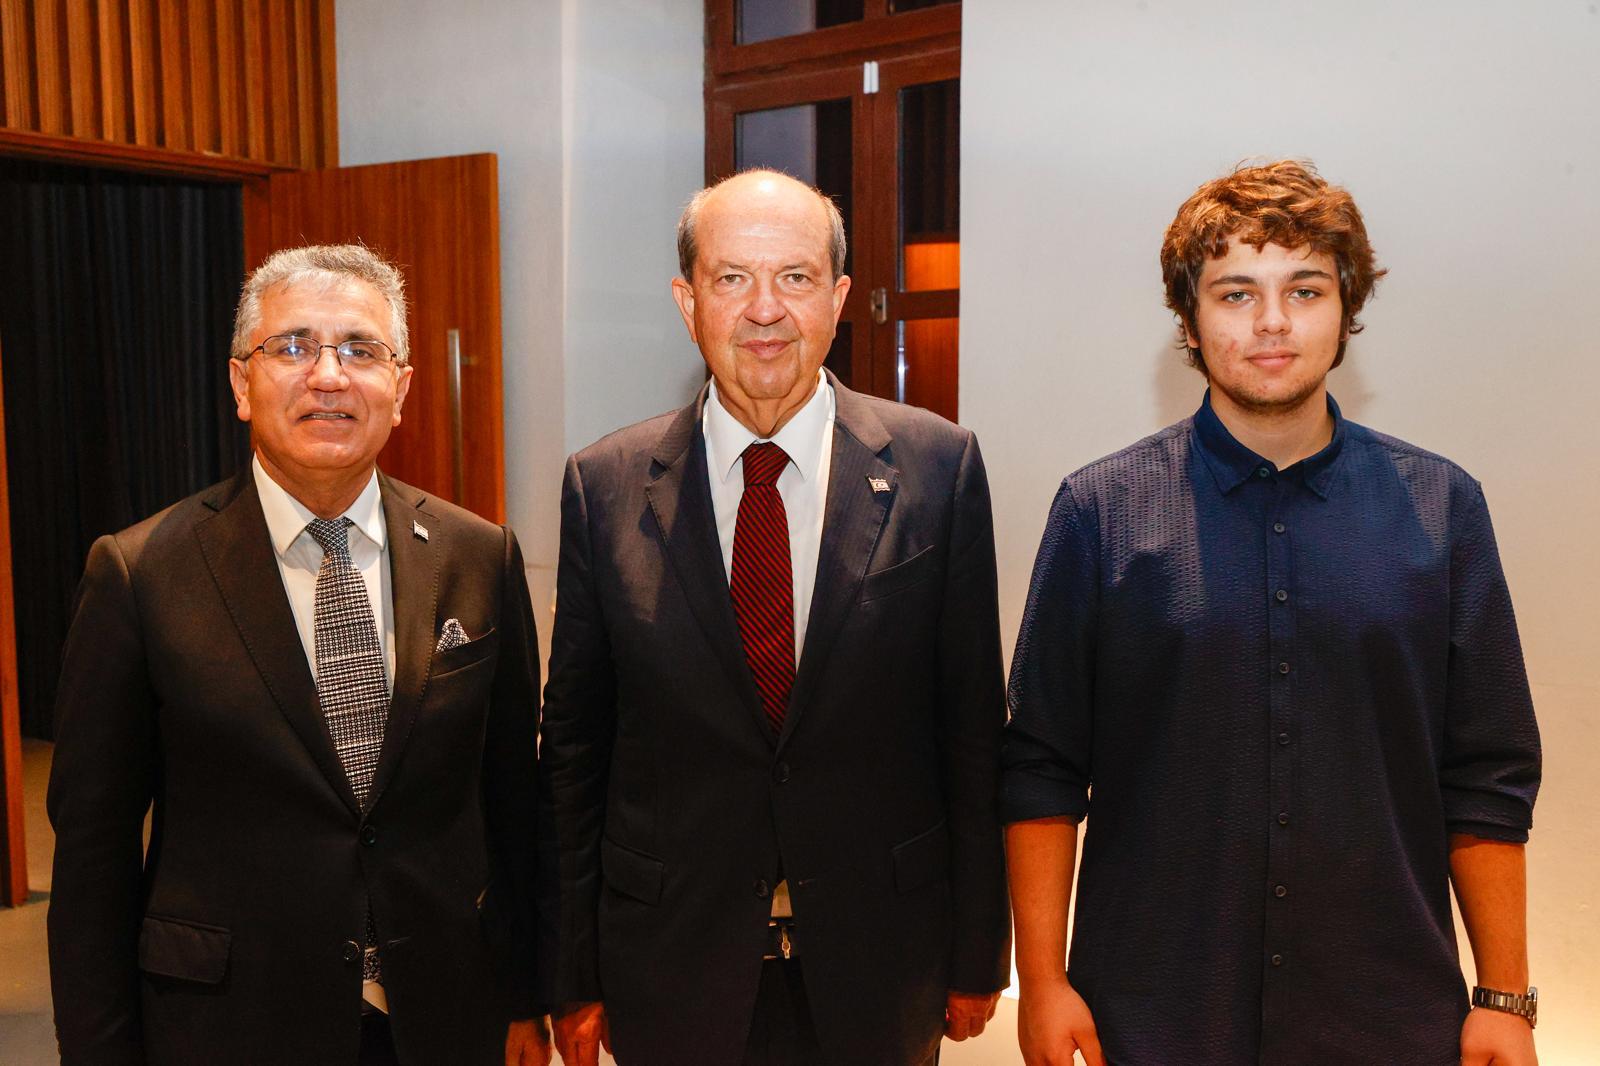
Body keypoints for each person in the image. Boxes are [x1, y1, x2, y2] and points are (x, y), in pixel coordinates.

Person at [1002, 159, 1543, 1066]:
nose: (1272, 322)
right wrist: (1044, 982)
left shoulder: (1443, 508)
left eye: (1305, 289)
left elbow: (1487, 774)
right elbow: (1041, 769)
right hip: (1150, 1017)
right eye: (1236, 293)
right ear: (1189, 319)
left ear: (1345, 310)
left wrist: (1504, 998)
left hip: (1389, 1016)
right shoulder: (1100, 512)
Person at [538, 169, 1011, 1066]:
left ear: (838, 299)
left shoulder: (938, 467)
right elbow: (575, 751)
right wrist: (570, 972)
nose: (765, 309)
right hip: (670, 964)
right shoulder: (604, 486)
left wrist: (979, 949)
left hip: (880, 960)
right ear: (688, 303)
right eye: (731, 278)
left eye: (795, 277)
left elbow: (973, 729)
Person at [47, 244, 548, 1066]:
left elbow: (514, 802)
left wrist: (526, 995)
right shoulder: (140, 573)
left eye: (361, 350)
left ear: (401, 390)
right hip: (229, 1026)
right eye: (292, 347)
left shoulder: (478, 555)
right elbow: (93, 854)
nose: (328, 376)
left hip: (444, 1016)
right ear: (242, 385)